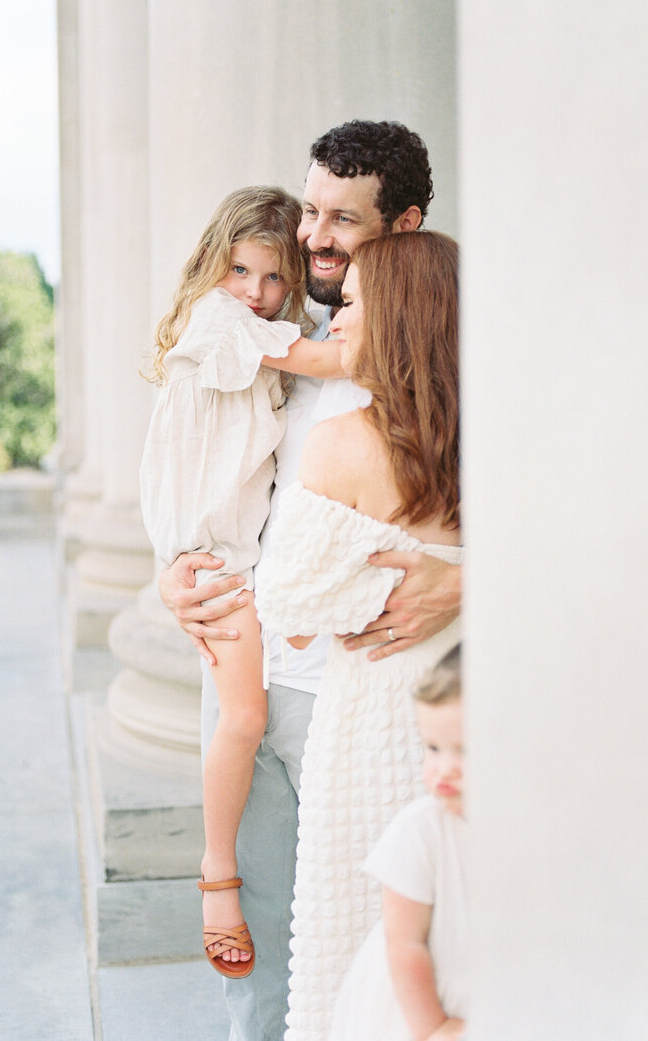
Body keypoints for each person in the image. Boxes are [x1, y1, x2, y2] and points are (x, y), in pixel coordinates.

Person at [157, 121, 462, 1040]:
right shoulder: (270, 340)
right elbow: (200, 475)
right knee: (262, 974)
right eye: (312, 212)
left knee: (382, 951)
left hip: (375, 707)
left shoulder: (448, 357)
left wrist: (472, 581)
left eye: (344, 220)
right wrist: (173, 571)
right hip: (260, 689)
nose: (314, 237)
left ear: (405, 225)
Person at [254, 229, 462, 1039]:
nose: (336, 317)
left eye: (357, 303)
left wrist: (364, 583)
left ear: (404, 319)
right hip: (472, 712)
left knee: (359, 934)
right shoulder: (500, 442)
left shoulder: (342, 443)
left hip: (376, 718)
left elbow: (292, 600)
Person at [139, 186, 343, 979]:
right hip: (215, 554)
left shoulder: (255, 327)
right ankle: (216, 878)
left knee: (245, 714)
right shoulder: (223, 325)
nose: (255, 292)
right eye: (240, 270)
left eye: (272, 279)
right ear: (210, 265)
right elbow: (327, 356)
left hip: (238, 551)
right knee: (245, 715)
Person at [329, 645, 468, 1041]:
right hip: (425, 1004)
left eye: (465, 751)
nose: (445, 769)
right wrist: (434, 1028)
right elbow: (404, 944)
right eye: (433, 748)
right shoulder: (423, 830)